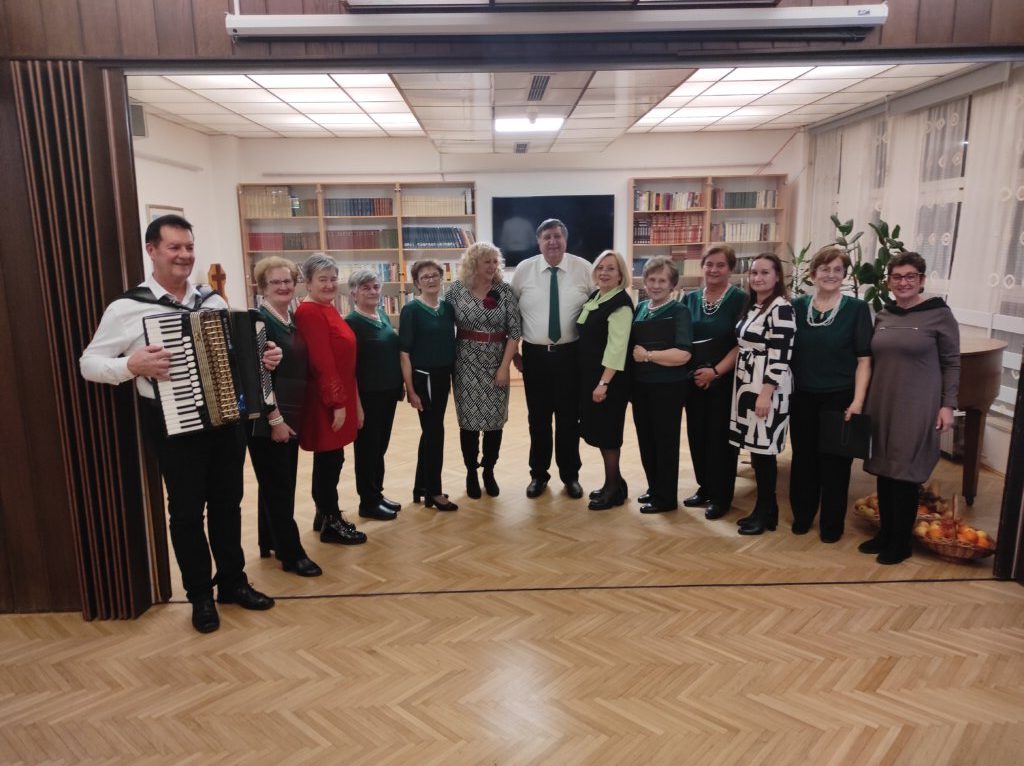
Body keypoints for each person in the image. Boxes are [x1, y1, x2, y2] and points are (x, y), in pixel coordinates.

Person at [80, 214, 279, 634]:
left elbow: (235, 356)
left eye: (189, 247)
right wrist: (130, 365)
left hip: (225, 419)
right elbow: (88, 364)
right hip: (172, 422)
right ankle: (200, 597)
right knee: (187, 512)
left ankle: (232, 583)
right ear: (151, 250)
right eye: (174, 247)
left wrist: (263, 360)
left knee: (227, 504)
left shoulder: (213, 300)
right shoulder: (128, 307)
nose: (184, 255)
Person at [861, 252, 959, 565]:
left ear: (921, 280)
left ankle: (901, 542)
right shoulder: (884, 315)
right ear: (888, 281)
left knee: (904, 473)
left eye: (910, 277)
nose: (903, 282)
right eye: (897, 277)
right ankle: (885, 533)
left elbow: (951, 362)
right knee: (884, 468)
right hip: (882, 401)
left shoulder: (939, 314)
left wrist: (948, 406)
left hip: (917, 404)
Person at [789, 246, 873, 543]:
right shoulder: (797, 306)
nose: (831, 274)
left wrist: (859, 400)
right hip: (802, 396)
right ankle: (802, 515)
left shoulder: (857, 309)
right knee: (803, 460)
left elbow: (864, 359)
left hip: (840, 397)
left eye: (838, 270)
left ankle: (831, 524)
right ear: (813, 273)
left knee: (835, 464)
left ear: (845, 276)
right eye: (825, 269)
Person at [247, 256, 321, 577]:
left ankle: (270, 541)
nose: (283, 286)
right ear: (262, 287)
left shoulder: (287, 317)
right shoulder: (259, 321)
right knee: (279, 485)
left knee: (276, 482)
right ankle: (292, 554)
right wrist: (275, 419)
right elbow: (259, 376)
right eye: (275, 282)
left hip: (289, 414)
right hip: (270, 419)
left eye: (288, 281)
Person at [511, 219, 592, 500]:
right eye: (547, 237)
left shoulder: (584, 268)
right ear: (539, 241)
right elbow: (511, 314)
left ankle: (570, 476)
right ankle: (538, 475)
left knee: (570, 420)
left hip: (571, 357)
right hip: (536, 357)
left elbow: (598, 309)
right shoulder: (524, 270)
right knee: (539, 420)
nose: (553, 242)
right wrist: (514, 352)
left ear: (565, 240)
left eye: (557, 236)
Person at [293, 254, 368, 547]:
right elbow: (321, 363)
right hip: (327, 399)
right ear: (307, 282)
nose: (329, 284)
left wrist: (354, 402)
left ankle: (324, 514)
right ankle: (331, 522)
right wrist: (337, 403)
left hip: (341, 393)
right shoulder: (310, 312)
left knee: (331, 459)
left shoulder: (328, 308)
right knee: (329, 460)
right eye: (322, 279)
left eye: (333, 278)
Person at [447, 242, 521, 500]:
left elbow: (515, 332)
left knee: (494, 424)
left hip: (496, 364)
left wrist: (504, 368)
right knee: (468, 424)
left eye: (494, 261)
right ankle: (470, 472)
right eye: (486, 261)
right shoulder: (456, 290)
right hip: (465, 363)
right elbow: (443, 325)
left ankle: (488, 470)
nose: (491, 266)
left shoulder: (505, 291)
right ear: (473, 264)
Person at [729, 252, 796, 536]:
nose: (758, 277)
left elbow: (781, 355)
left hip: (767, 386)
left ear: (777, 276)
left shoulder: (781, 307)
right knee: (756, 451)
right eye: (754, 272)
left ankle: (764, 510)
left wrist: (766, 393)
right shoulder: (755, 305)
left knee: (764, 451)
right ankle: (768, 510)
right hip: (747, 381)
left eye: (765, 272)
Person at [682, 246, 746, 521]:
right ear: (702, 267)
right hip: (693, 380)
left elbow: (741, 344)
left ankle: (722, 496)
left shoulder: (740, 299)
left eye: (720, 265)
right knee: (697, 435)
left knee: (720, 440)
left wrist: (716, 372)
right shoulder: (690, 299)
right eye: (709, 264)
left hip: (724, 380)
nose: (713, 270)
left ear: (730, 269)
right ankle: (705, 487)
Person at [630, 257, 693, 514]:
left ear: (672, 285)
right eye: (652, 279)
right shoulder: (642, 308)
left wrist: (648, 356)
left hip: (668, 388)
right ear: (645, 281)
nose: (656, 285)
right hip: (642, 387)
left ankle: (666, 498)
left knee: (665, 442)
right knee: (646, 440)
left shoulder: (680, 311)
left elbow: (683, 354)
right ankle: (654, 488)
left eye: (662, 280)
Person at [577, 250, 634, 511]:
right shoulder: (597, 296)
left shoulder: (620, 304)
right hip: (592, 377)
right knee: (601, 432)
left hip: (609, 381)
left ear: (621, 274)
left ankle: (613, 490)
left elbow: (617, 348)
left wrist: (604, 383)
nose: (604, 272)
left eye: (611, 268)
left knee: (609, 435)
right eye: (601, 267)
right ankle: (616, 482)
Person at [346, 270, 404, 521]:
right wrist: (356, 404)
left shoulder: (380, 314)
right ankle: (367, 502)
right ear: (354, 293)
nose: (372, 291)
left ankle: (377, 494)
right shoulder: (351, 323)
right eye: (366, 287)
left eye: (376, 286)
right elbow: (350, 368)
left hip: (388, 393)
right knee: (367, 449)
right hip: (368, 395)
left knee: (380, 447)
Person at [400, 260, 457, 510]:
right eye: (425, 277)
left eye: (435, 275)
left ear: (442, 278)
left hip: (444, 376)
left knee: (432, 431)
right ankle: (434, 492)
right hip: (425, 377)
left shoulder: (447, 308)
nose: (431, 280)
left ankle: (420, 486)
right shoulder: (411, 310)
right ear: (416, 283)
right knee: (435, 432)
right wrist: (411, 390)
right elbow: (404, 353)